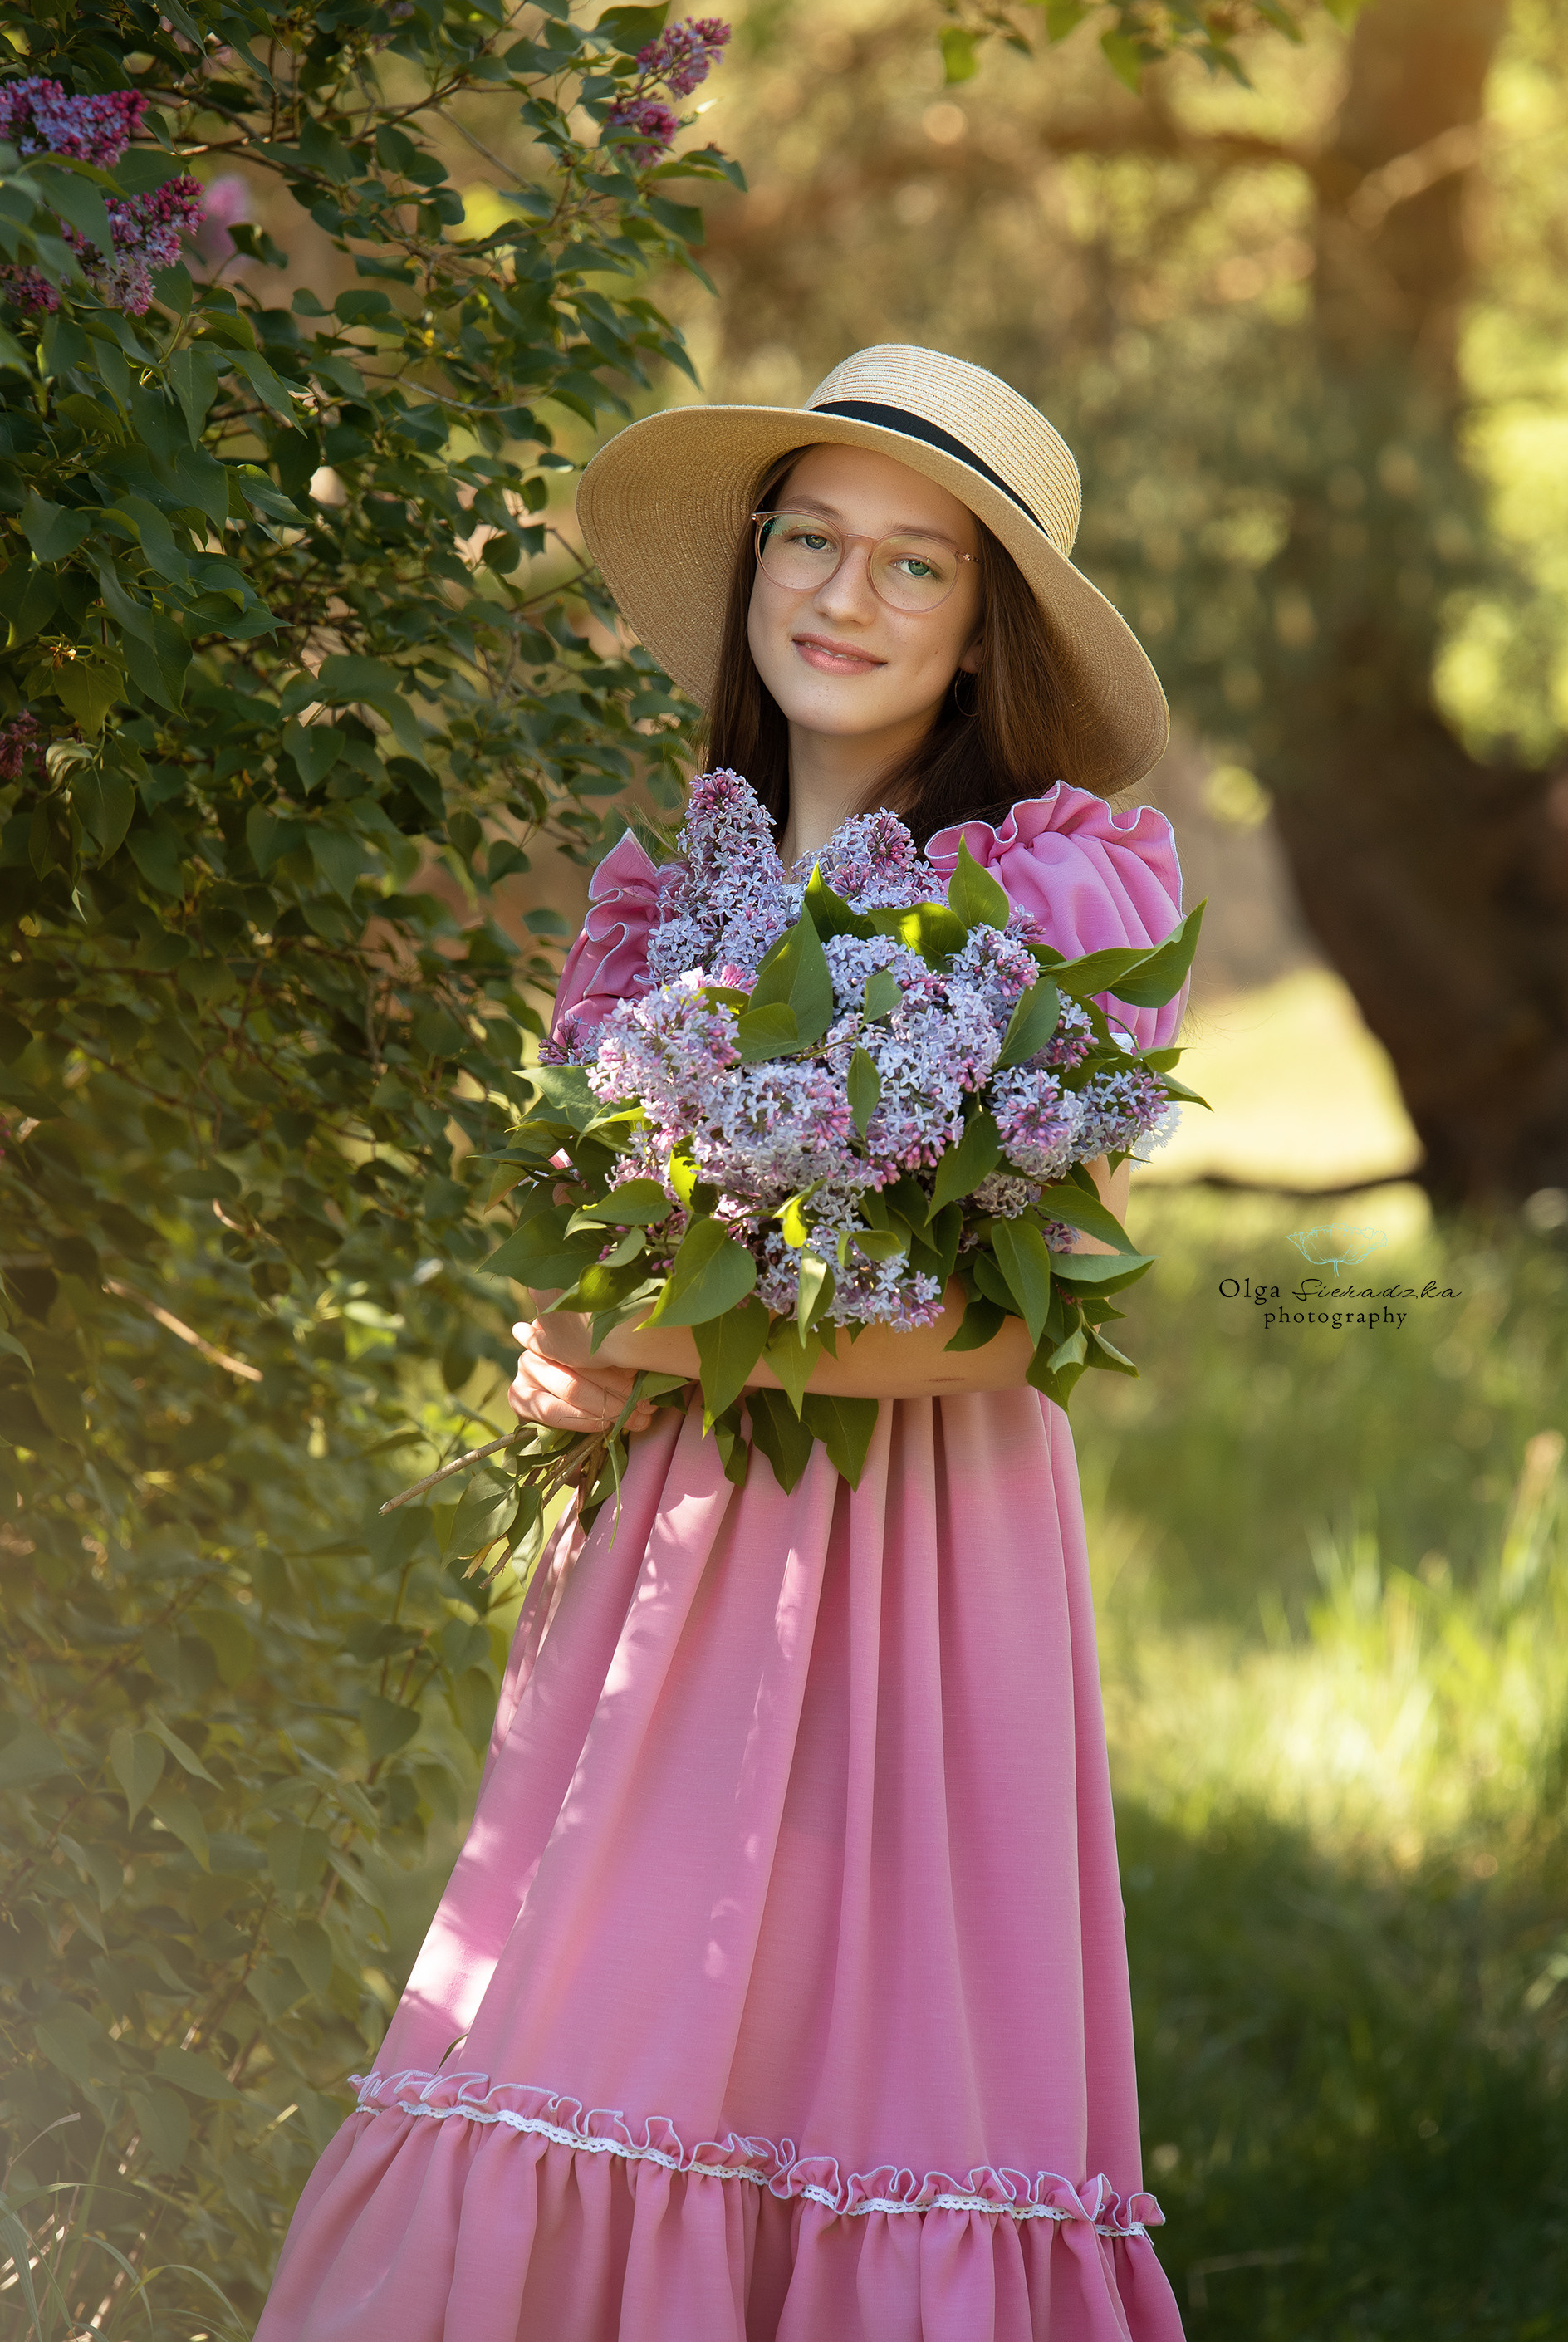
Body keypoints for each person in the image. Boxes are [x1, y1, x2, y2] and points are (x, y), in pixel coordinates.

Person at [256, 345, 1191, 2341]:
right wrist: (566, 1347)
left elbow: (1011, 1330)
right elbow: (597, 1253)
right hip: (671, 1563)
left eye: (912, 566)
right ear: (755, 565)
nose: (841, 599)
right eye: (810, 541)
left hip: (924, 1556)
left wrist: (668, 1346)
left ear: (978, 632)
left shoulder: (1041, 884)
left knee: (865, 2065)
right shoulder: (659, 902)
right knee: (587, 2016)